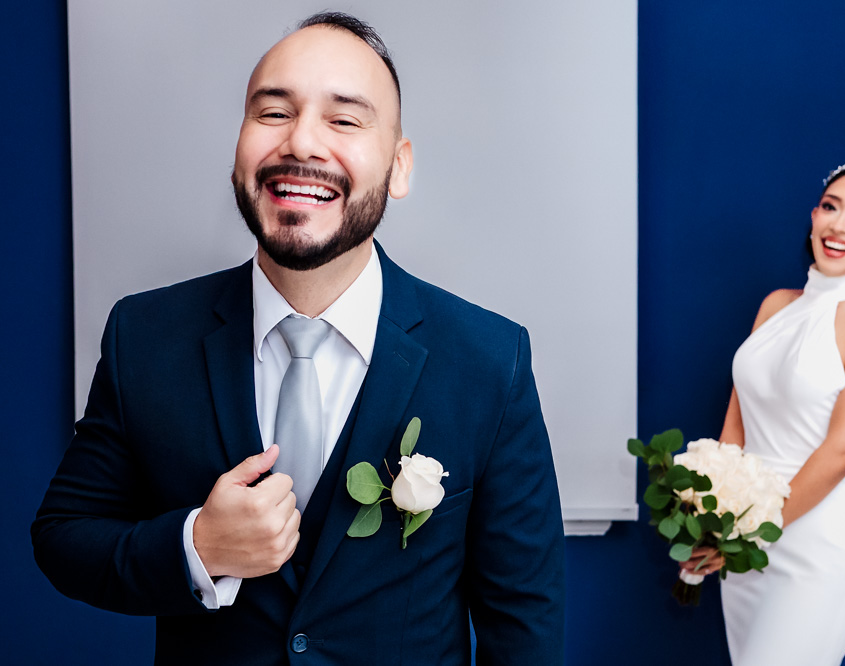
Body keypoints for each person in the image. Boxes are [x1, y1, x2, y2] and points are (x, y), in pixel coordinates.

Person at [32, 12, 564, 665]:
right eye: (274, 113)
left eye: (343, 120)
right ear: (238, 148)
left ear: (399, 167)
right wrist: (199, 548)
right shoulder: (144, 335)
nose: (302, 143)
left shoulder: (489, 360)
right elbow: (64, 539)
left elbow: (525, 624)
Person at [680, 160, 845, 665]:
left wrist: (748, 532)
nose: (838, 225)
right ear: (813, 216)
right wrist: (708, 519)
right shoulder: (775, 305)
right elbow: (736, 425)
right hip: (744, 541)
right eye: (831, 207)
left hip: (817, 543)